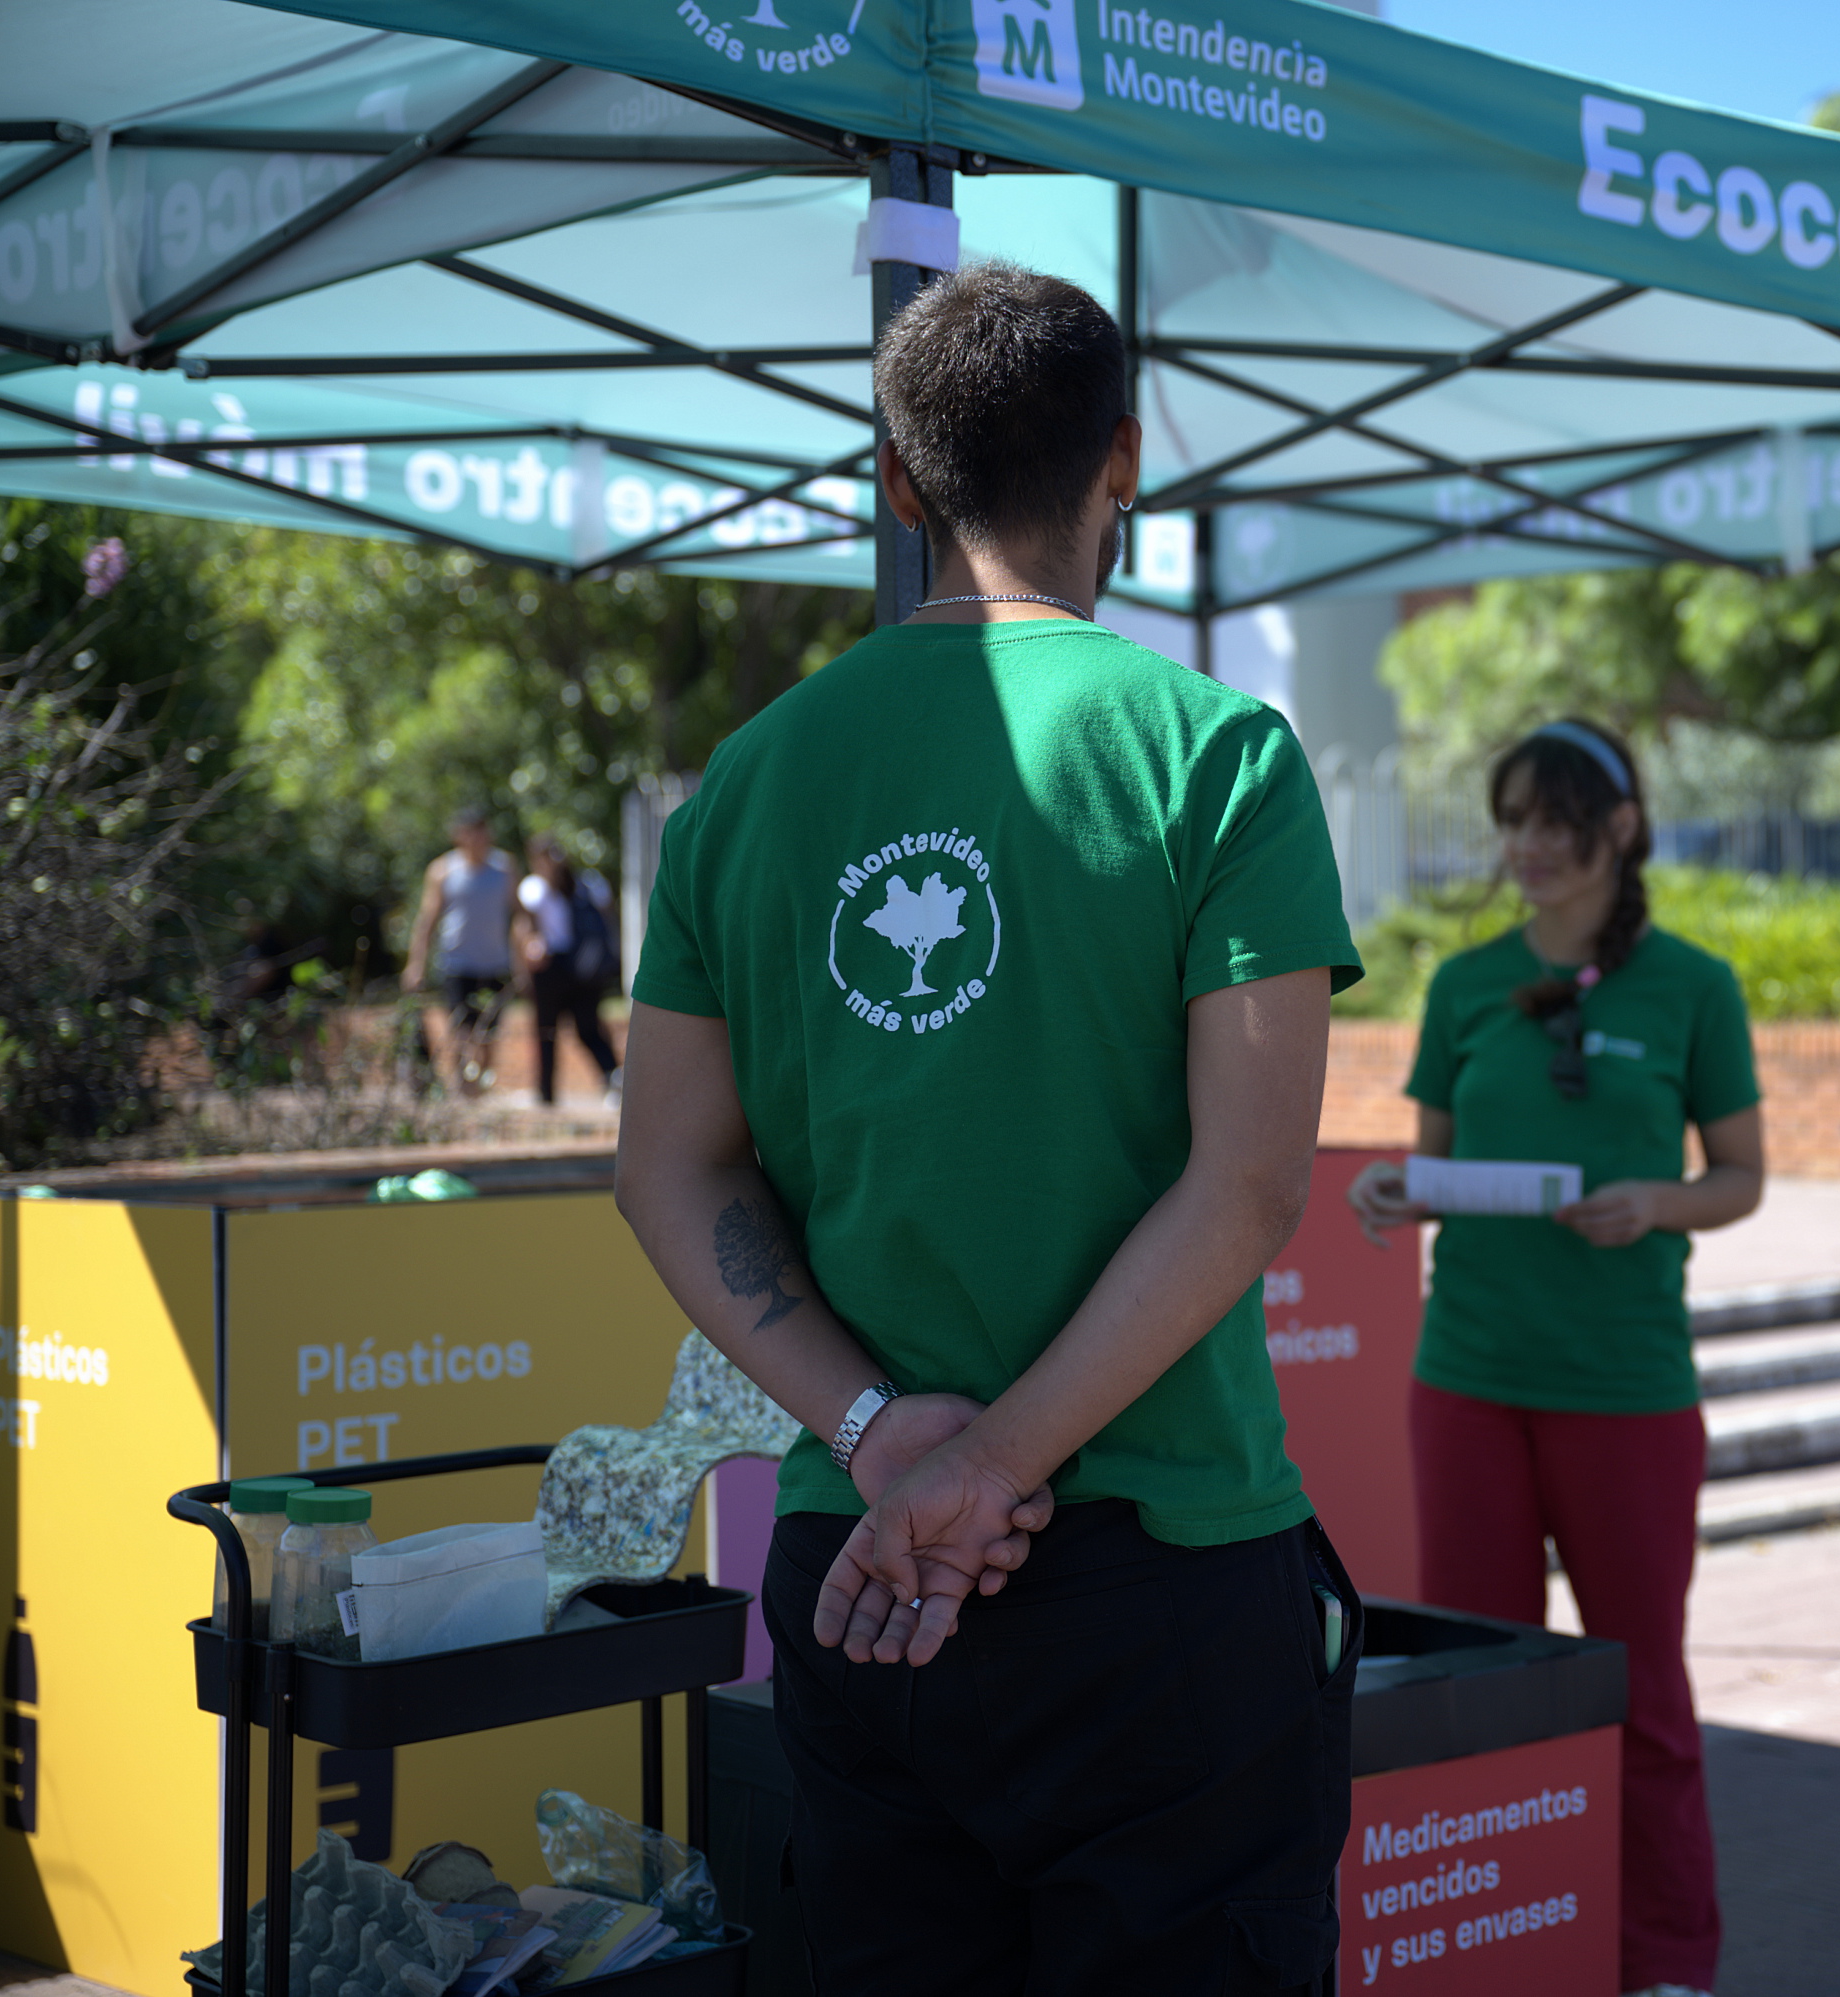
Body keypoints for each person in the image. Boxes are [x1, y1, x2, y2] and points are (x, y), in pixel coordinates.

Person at [613, 260, 1364, 1994]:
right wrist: (997, 1462)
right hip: (1161, 1569)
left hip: (865, 1574)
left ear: (898, 482)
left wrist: (886, 1434)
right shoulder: (1218, 756)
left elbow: (666, 1164)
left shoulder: (751, 778)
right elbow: (1248, 1188)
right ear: (1124, 460)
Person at [1348, 720, 1765, 1997]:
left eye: (1554, 822)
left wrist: (1657, 1201)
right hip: (1467, 1377)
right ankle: (1497, 1946)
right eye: (1512, 820)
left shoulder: (1695, 986)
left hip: (1626, 1387)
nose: (1526, 847)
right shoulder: (1466, 984)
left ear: (1621, 828)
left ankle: (1667, 1962)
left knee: (1643, 1686)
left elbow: (1740, 1177)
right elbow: (1438, 1166)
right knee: (1474, 1677)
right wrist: (1393, 1190)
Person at [401, 805, 515, 1095]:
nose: (479, 837)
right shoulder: (442, 871)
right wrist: (416, 964)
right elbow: (427, 921)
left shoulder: (504, 868)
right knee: (461, 1030)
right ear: (459, 835)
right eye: (472, 831)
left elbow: (519, 915)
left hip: (495, 962)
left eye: (482, 830)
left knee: (487, 1033)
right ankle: (462, 1089)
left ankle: (481, 1086)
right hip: (456, 963)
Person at [514, 832, 622, 1106]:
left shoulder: (588, 883)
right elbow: (524, 926)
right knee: (546, 1030)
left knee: (588, 1027)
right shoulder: (533, 888)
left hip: (584, 965)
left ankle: (615, 1080)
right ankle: (546, 1093)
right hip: (550, 965)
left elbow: (606, 918)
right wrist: (527, 955)